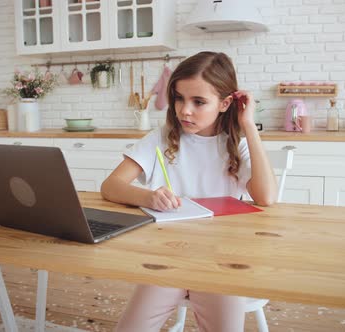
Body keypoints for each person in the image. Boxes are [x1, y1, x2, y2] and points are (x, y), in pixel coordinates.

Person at [100, 51, 278, 332]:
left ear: (225, 103)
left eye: (199, 102)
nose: (185, 110)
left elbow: (266, 198)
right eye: (179, 98)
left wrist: (247, 126)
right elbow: (111, 186)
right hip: (169, 257)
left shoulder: (237, 145)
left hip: (221, 260)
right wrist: (148, 197)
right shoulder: (161, 137)